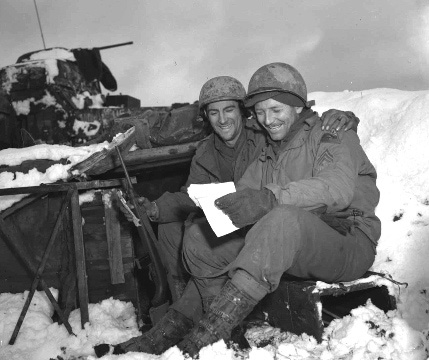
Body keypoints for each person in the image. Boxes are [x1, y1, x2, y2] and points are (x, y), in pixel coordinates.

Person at [112, 75, 360, 355]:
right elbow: (198, 195)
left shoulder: (264, 134)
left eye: (229, 109)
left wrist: (343, 115)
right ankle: (180, 328)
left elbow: (321, 161)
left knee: (265, 227)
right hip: (259, 225)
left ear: (243, 111)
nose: (222, 119)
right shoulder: (210, 151)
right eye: (213, 112)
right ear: (205, 116)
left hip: (301, 228)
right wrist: (156, 208)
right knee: (193, 234)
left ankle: (204, 334)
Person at [171, 62, 381, 357]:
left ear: (297, 108)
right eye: (259, 112)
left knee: (280, 218)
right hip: (289, 244)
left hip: (345, 241)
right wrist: (218, 207)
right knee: (199, 237)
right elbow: (244, 193)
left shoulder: (331, 134)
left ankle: (205, 337)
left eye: (276, 110)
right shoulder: (271, 150)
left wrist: (269, 198)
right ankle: (221, 331)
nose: (267, 120)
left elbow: (337, 188)